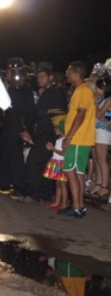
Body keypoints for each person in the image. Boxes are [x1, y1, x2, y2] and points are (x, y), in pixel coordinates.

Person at [17, 62, 68, 204]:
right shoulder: (49, 93)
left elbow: (41, 113)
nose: (40, 80)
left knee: (33, 162)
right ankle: (45, 194)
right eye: (38, 77)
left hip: (48, 134)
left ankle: (34, 194)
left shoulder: (54, 93)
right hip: (44, 133)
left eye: (43, 77)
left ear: (51, 77)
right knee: (45, 164)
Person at [0, 60, 36, 198]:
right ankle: (2, 183)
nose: (8, 75)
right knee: (3, 155)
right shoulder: (15, 90)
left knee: (15, 159)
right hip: (10, 127)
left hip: (16, 129)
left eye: (10, 73)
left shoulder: (21, 91)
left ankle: (19, 188)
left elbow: (25, 112)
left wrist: (25, 128)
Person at [57, 61, 96, 218]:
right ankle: (79, 207)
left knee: (69, 170)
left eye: (68, 71)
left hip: (78, 138)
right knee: (78, 173)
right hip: (82, 139)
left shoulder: (82, 91)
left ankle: (76, 206)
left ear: (75, 74)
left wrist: (69, 137)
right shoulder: (83, 90)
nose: (66, 74)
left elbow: (80, 115)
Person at [88, 77, 111, 201]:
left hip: (104, 131)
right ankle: (98, 184)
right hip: (97, 130)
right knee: (96, 158)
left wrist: (95, 102)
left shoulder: (108, 99)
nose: (95, 89)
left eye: (98, 87)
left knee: (102, 159)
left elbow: (98, 114)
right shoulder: (102, 99)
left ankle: (104, 186)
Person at [43, 120, 68, 211]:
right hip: (56, 162)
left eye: (56, 128)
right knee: (58, 184)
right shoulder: (59, 139)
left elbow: (65, 153)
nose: (55, 130)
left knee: (62, 184)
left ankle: (64, 204)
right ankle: (57, 202)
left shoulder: (65, 140)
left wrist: (53, 149)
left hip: (61, 163)